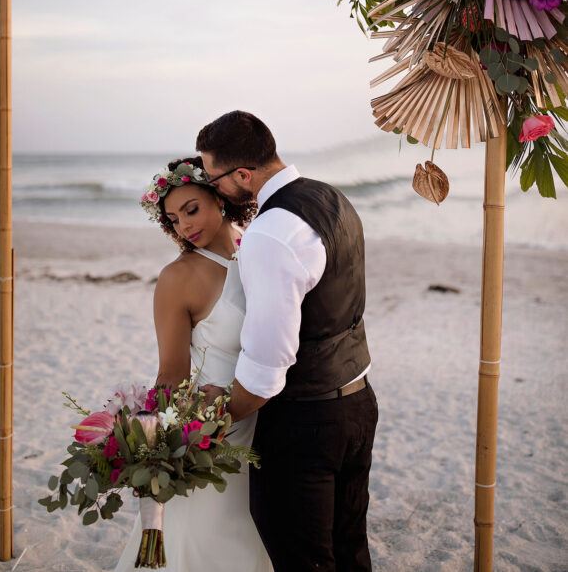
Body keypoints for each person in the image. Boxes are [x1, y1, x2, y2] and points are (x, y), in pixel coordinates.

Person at [196, 111, 378, 572]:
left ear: (243, 175)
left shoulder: (270, 234)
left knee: (302, 557)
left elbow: (266, 366)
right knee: (349, 547)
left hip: (305, 423)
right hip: (358, 402)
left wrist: (219, 417)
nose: (214, 190)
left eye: (215, 180)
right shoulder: (330, 196)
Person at [115, 156, 272, 572]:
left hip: (272, 421)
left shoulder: (256, 245)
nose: (185, 226)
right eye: (173, 218)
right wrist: (155, 445)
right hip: (215, 430)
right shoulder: (177, 277)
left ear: (219, 198)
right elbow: (170, 373)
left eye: (191, 209)